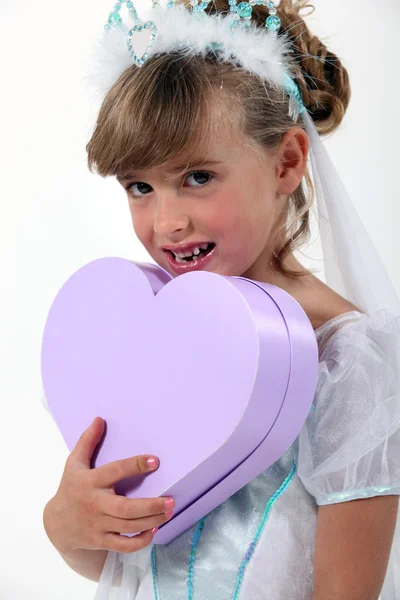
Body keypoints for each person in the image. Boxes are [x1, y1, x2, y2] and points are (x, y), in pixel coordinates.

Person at [42, 0, 400, 598]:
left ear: (286, 161)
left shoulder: (345, 360)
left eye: (197, 178)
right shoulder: (145, 336)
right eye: (139, 186)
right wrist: (66, 525)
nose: (167, 222)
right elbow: (131, 560)